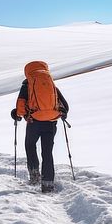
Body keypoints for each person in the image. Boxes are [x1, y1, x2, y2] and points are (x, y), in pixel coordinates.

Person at [11, 60, 69, 193]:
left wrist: (18, 114)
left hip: (34, 121)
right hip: (50, 122)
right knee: (47, 152)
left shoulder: (27, 84)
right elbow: (65, 106)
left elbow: (20, 107)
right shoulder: (51, 83)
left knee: (30, 146)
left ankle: (34, 176)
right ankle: (48, 184)